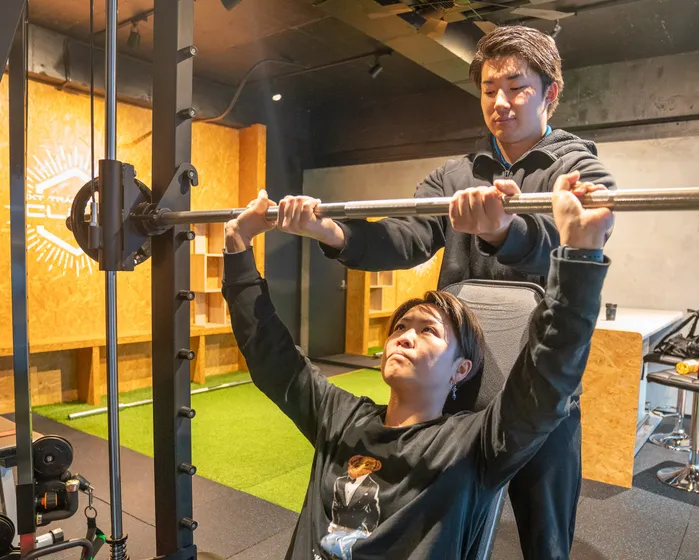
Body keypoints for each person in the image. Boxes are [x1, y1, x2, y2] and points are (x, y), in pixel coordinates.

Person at [267, 25, 615, 559]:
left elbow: (577, 238)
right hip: (461, 381)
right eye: (489, 89)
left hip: (541, 386)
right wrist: (331, 232)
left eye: (516, 88)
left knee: (546, 537)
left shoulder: (577, 169)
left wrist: (504, 231)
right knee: (441, 524)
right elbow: (405, 237)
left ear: (550, 92)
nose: (500, 102)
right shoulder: (454, 177)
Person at [221, 175, 613, 559]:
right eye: (400, 328)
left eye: (428, 331)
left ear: (461, 369)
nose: (405, 337)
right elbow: (270, 354)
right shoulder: (340, 418)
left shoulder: (473, 446)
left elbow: (546, 377)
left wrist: (579, 255)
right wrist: (237, 244)